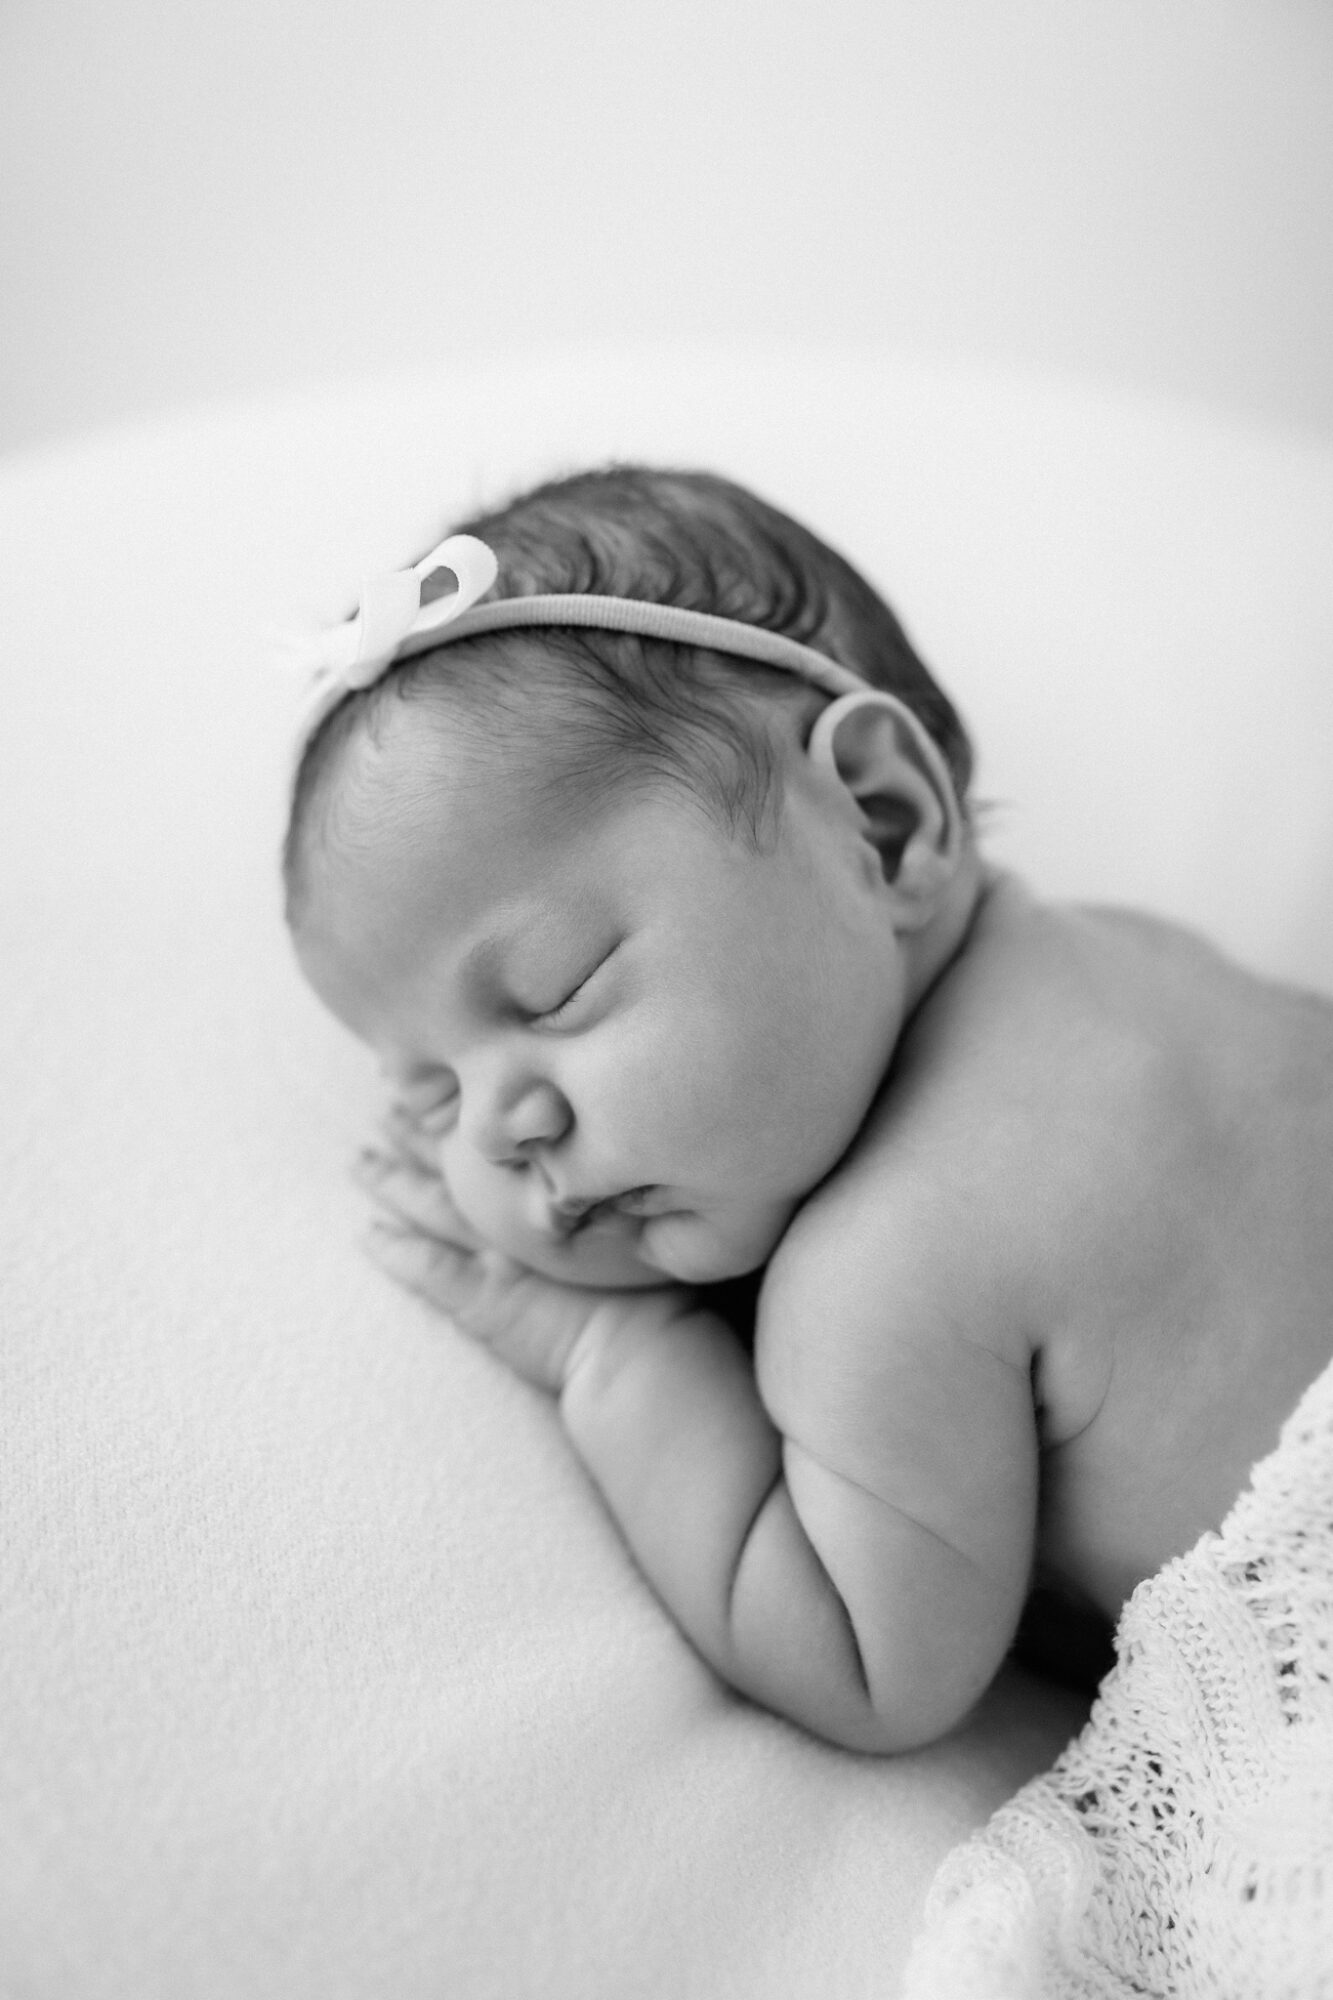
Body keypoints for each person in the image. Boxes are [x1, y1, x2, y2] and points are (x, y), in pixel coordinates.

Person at [284, 466, 1333, 1754]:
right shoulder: (1147, 959)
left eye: (554, 987)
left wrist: (615, 1357)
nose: (501, 1129)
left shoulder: (882, 1276)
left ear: (882, 826)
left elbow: (868, 1663)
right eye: (430, 1094)